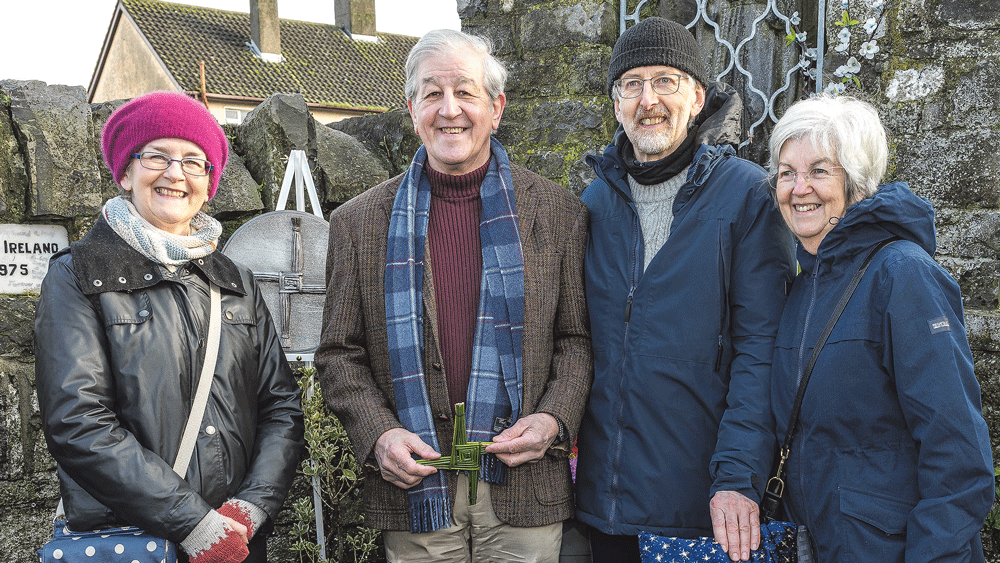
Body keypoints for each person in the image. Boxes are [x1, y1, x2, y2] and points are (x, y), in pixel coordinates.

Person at [314, 29, 592, 563]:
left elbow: (576, 339)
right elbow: (338, 354)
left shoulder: (559, 213)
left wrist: (554, 418)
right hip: (416, 484)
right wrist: (379, 433)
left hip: (524, 484)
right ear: (411, 107)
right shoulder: (357, 222)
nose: (450, 110)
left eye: (465, 92)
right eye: (431, 93)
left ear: (496, 107)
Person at [715, 94, 995, 561]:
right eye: (787, 173)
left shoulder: (902, 274)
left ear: (858, 183)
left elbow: (959, 456)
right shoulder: (804, 286)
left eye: (819, 171)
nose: (798, 188)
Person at [34, 91, 305, 563]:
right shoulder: (78, 274)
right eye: (156, 156)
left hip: (236, 540)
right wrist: (193, 523)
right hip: (131, 538)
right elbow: (77, 422)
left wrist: (251, 507)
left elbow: (280, 406)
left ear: (209, 181)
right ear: (125, 171)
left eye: (194, 161)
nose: (176, 173)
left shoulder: (234, 280)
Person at [574, 17, 796, 562]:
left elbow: (761, 352)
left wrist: (739, 477)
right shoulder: (593, 203)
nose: (648, 99)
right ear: (616, 103)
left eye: (665, 81)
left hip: (705, 505)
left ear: (697, 97)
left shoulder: (746, 196)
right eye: (632, 84)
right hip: (604, 505)